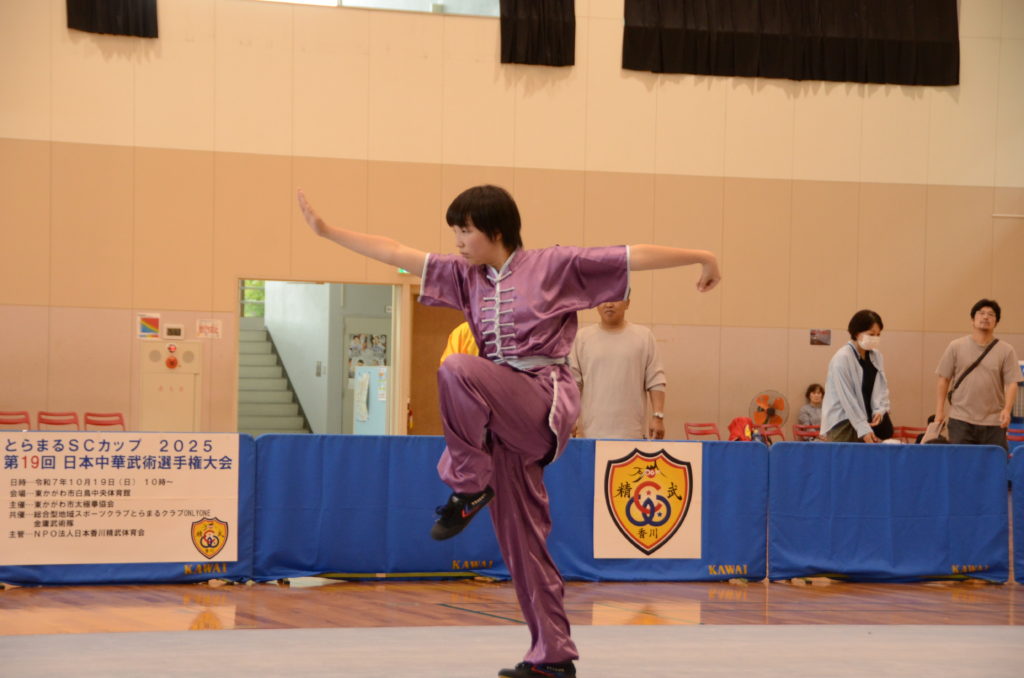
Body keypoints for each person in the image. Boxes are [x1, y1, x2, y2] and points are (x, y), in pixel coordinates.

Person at [297, 184, 721, 678]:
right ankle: (553, 657)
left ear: (496, 230)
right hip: (500, 420)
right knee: (522, 543)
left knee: (457, 368)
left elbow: (632, 255)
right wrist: (327, 231)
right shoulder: (464, 275)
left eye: (465, 230)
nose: (457, 241)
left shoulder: (555, 266)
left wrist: (702, 256)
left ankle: (467, 487)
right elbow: (396, 251)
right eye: (454, 232)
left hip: (542, 402)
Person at [569, 299, 667, 439]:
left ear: (627, 303)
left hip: (633, 432)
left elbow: (656, 379)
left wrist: (658, 416)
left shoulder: (644, 336)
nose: (609, 304)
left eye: (615, 299)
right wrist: (570, 417)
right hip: (591, 433)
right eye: (604, 300)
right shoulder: (581, 338)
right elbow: (573, 383)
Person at [934, 299, 1019, 450]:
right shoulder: (956, 346)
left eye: (991, 314)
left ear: (996, 322)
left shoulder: (1006, 350)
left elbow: (1012, 383)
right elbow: (944, 379)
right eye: (981, 313)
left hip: (994, 422)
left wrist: (1007, 410)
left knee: (994, 462)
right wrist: (939, 411)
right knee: (961, 462)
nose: (985, 317)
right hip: (960, 420)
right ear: (972, 319)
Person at [820, 310, 893, 443]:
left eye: (878, 335)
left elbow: (881, 389)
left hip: (867, 420)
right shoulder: (842, 358)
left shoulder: (877, 356)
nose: (875, 338)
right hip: (843, 422)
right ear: (857, 333)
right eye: (871, 334)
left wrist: (880, 410)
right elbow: (847, 398)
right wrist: (862, 428)